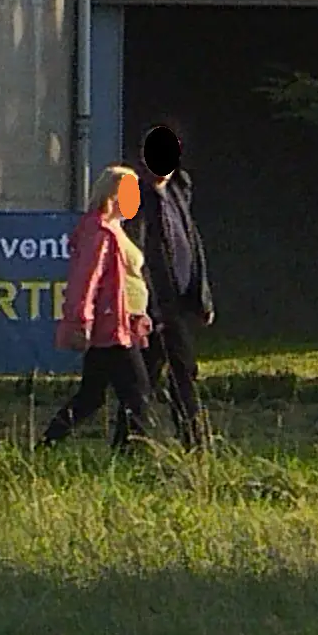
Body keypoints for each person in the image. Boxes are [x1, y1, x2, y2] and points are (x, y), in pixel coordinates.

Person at [38, 164, 154, 451]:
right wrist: (81, 320)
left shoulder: (116, 229)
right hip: (111, 326)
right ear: (114, 194)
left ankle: (48, 443)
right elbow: (86, 279)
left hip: (124, 323)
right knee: (137, 391)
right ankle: (129, 452)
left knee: (92, 396)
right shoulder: (99, 231)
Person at [138, 120, 215, 445]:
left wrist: (202, 298)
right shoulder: (134, 195)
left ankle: (138, 440)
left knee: (164, 374)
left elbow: (191, 246)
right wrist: (144, 304)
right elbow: (135, 249)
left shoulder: (179, 190)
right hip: (154, 303)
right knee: (165, 374)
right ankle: (191, 442)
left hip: (178, 302)